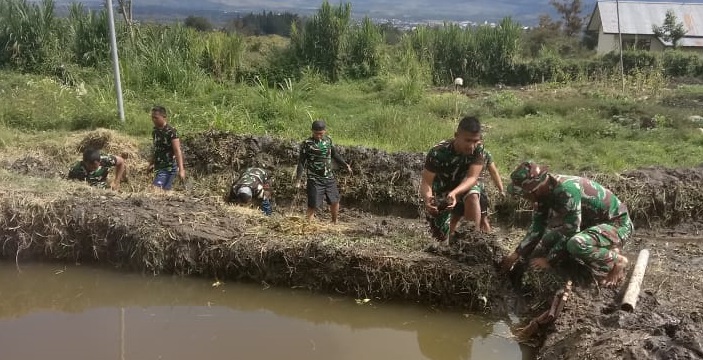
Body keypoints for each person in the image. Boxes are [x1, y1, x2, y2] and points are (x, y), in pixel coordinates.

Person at [500, 160, 633, 287]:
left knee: (576, 244)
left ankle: (617, 261)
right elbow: (537, 228)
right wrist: (516, 255)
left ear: (534, 190)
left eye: (523, 194)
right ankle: (605, 247)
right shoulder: (543, 194)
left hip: (617, 225)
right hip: (591, 225)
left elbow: (571, 230)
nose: (523, 197)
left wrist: (549, 261)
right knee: (547, 240)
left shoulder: (566, 191)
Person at [421, 115, 485, 244]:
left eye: (475, 141)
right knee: (442, 240)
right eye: (468, 140)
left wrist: (455, 193)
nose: (472, 146)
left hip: (463, 187)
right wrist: (428, 199)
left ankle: (471, 242)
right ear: (456, 136)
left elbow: (472, 177)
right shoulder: (437, 152)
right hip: (442, 195)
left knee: (473, 195)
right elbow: (426, 182)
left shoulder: (478, 149)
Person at [295, 119, 352, 224]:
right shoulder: (307, 144)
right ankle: (307, 225)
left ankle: (334, 222)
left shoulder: (328, 141)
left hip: (329, 177)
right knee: (313, 204)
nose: (318, 136)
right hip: (314, 178)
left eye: (321, 134)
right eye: (316, 134)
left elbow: (334, 155)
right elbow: (301, 162)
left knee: (335, 201)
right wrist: (298, 179)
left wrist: (345, 165)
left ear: (325, 131)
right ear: (312, 131)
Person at [467, 147, 505, 233]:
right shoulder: (464, 152)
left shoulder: (485, 153)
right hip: (463, 188)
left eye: (478, 142)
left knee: (483, 219)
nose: (475, 145)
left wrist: (501, 189)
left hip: (479, 190)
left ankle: (488, 241)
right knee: (455, 217)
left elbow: (494, 172)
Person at [147, 106, 185, 191]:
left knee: (156, 190)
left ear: (164, 117)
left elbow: (177, 150)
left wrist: (181, 169)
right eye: (152, 117)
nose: (153, 120)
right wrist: (151, 163)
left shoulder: (171, 131)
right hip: (158, 168)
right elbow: (156, 149)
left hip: (169, 168)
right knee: (163, 193)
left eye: (156, 118)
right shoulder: (155, 131)